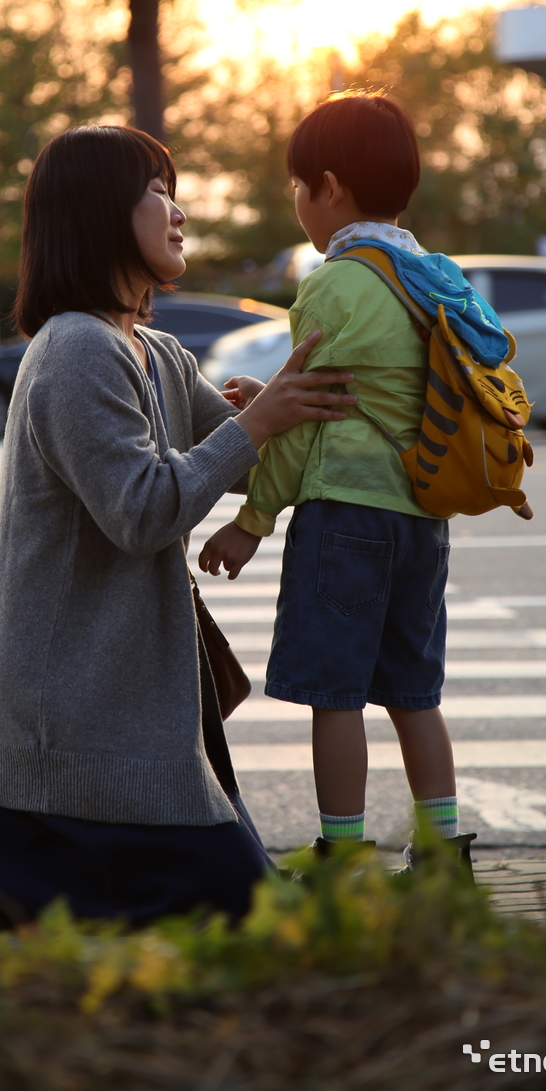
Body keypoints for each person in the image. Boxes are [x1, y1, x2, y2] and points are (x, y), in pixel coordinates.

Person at [0, 124, 357, 931]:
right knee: (241, 905)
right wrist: (253, 427)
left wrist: (278, 417)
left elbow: (243, 465)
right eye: (156, 190)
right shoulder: (76, 351)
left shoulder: (150, 349)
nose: (178, 210)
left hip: (125, 697)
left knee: (243, 891)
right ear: (97, 213)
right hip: (72, 711)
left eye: (172, 188)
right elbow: (144, 510)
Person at [199, 93, 471, 865]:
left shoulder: (334, 282)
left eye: (296, 186)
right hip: (422, 513)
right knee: (416, 696)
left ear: (328, 187)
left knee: (336, 698)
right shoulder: (432, 275)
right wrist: (271, 399)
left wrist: (248, 522)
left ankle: (344, 860)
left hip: (345, 519)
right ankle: (445, 855)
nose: (296, 202)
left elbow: (309, 422)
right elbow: (366, 397)